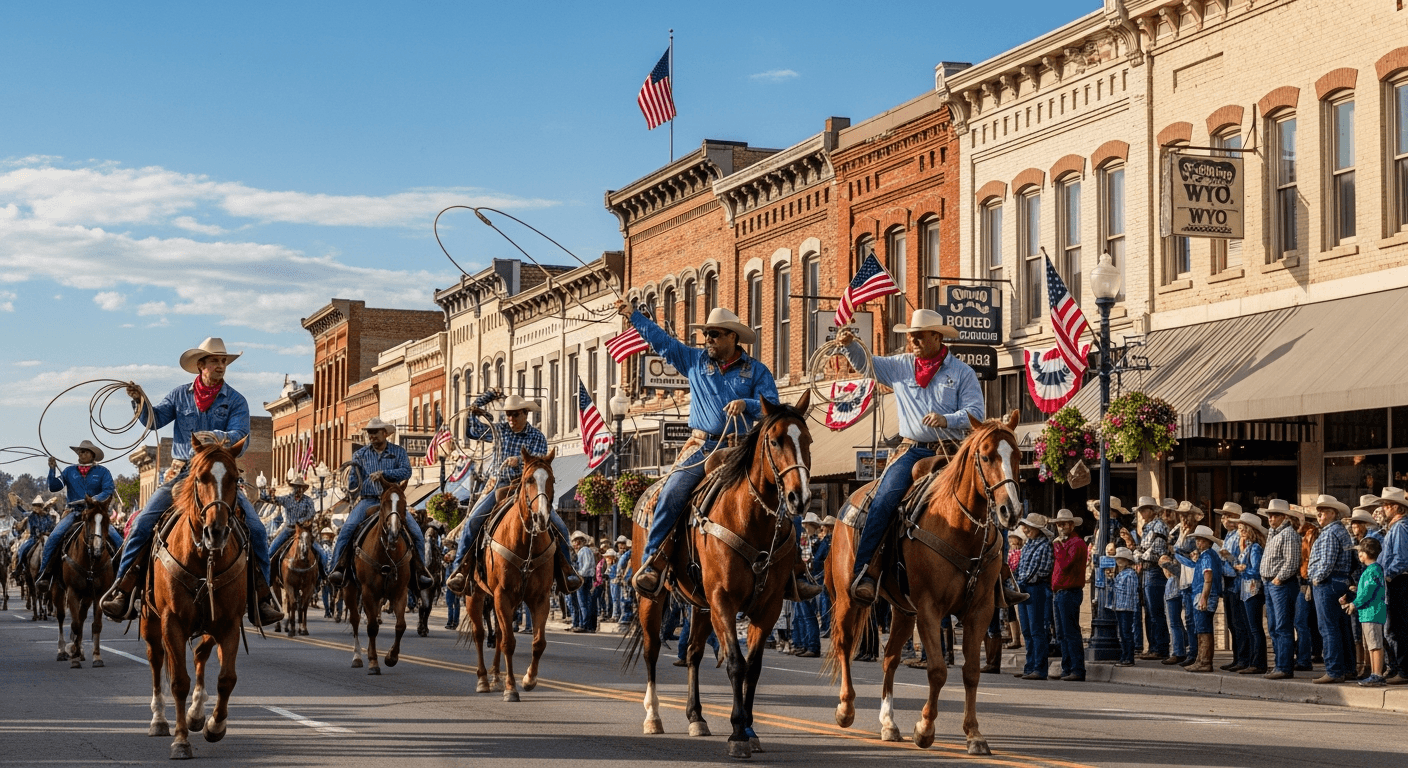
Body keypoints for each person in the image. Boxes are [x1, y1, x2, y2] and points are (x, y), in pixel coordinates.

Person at [614, 299, 792, 599]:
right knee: (672, 491)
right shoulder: (695, 361)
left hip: (743, 448)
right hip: (703, 445)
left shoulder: (756, 371)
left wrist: (747, 403)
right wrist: (633, 316)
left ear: (733, 337)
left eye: (715, 334)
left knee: (786, 493)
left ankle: (795, 571)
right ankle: (653, 560)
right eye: (706, 334)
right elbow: (662, 341)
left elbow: (771, 408)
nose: (708, 339)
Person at [101, 338, 281, 626]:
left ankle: (262, 596)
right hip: (182, 473)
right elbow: (154, 420)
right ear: (201, 365)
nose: (220, 365)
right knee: (142, 522)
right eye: (215, 361)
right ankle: (123, 588)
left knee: (257, 529)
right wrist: (139, 400)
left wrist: (219, 438)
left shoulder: (235, 400)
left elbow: (241, 436)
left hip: (218, 474)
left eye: (223, 361)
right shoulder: (179, 395)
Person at [836, 309, 984, 604]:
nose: (912, 340)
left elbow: (976, 414)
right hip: (912, 448)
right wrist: (850, 344)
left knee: (989, 496)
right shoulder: (901, 366)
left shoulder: (961, 372)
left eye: (918, 335)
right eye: (910, 335)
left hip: (953, 450)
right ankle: (866, 571)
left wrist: (947, 419)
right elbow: (868, 366)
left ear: (937, 337)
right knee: (884, 498)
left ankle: (999, 577)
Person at [446, 390, 579, 595]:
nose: (511, 418)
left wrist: (520, 460)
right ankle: (461, 569)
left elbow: (541, 461)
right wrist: (484, 400)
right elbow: (471, 430)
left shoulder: (536, 436)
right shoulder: (499, 430)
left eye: (515, 414)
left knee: (560, 526)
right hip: (499, 484)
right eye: (508, 413)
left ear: (526, 414)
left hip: (528, 486)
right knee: (473, 520)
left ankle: (567, 571)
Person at [326, 418, 432, 591]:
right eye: (369, 433)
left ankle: (420, 572)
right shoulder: (360, 455)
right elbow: (354, 483)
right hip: (368, 500)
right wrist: (352, 481)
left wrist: (384, 473)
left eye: (375, 432)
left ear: (385, 433)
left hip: (391, 499)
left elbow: (407, 471)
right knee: (347, 529)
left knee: (416, 533)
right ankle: (338, 569)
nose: (372, 436)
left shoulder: (398, 452)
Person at [36, 440, 122, 591]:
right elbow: (54, 486)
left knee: (118, 540)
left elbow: (108, 489)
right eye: (80, 451)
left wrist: (94, 499)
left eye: (85, 451)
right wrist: (51, 470)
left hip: (95, 512)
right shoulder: (69, 471)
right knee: (54, 537)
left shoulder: (102, 471)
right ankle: (45, 574)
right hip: (74, 512)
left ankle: (123, 577)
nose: (81, 454)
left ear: (92, 455)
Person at [1305, 494, 1355, 684]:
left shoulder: (1329, 533)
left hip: (1329, 583)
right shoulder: (1340, 531)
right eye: (1318, 512)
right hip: (1339, 581)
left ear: (1333, 513)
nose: (1319, 515)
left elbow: (1327, 561)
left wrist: (1316, 579)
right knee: (1341, 627)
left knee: (1328, 628)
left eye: (1323, 511)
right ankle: (1348, 668)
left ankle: (1334, 670)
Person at [1262, 499, 1303, 679]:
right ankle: (1279, 663)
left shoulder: (1288, 534)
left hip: (1281, 584)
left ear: (1284, 517)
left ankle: (1284, 666)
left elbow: (1292, 561)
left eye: (1275, 515)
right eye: (1270, 515)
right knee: (1273, 626)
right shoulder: (1273, 533)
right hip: (1271, 583)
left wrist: (1278, 578)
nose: (1271, 518)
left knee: (1282, 626)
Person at [1175, 525, 1222, 673]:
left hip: (1204, 594)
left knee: (1203, 628)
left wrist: (1203, 598)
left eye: (1202, 541)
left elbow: (1208, 579)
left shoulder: (1208, 556)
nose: (1199, 543)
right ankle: (1201, 660)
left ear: (1208, 542)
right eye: (1197, 540)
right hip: (1203, 593)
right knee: (1202, 628)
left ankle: (1205, 661)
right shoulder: (1207, 555)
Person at [1343, 538, 1388, 687]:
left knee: (1375, 645)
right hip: (1368, 613)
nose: (1358, 555)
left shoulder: (1372, 570)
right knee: (1371, 645)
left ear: (1366, 553)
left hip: (1372, 613)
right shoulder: (1371, 570)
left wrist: (1354, 604)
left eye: (1360, 551)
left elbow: (1368, 592)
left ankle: (1377, 674)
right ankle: (1375, 673)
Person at [260, 474, 324, 580]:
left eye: (300, 487)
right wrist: (263, 490)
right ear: (293, 487)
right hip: (288, 530)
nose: (298, 489)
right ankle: (266, 578)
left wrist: (301, 522)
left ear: (303, 489)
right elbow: (270, 499)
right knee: (271, 551)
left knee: (321, 553)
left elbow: (311, 514)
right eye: (296, 486)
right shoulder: (287, 499)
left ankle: (323, 578)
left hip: (304, 532)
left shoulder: (308, 501)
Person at [1050, 509, 1087, 682]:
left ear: (1071, 525)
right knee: (1062, 634)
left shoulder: (1076, 543)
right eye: (1058, 524)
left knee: (1070, 632)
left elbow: (1065, 565)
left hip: (1069, 591)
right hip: (1060, 592)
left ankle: (1077, 669)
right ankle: (1067, 668)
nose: (1060, 527)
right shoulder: (1067, 544)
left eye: (1063, 524)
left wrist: (1058, 546)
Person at [1375, 487, 1408, 684]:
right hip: (1395, 580)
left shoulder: (1401, 528)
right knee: (1394, 627)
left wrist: (1385, 576)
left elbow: (1402, 559)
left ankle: (1403, 671)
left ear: (1396, 507)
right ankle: (1398, 668)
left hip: (1399, 581)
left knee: (1398, 627)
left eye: (1386, 505)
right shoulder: (1395, 528)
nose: (1383, 509)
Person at [1015, 514, 1053, 680]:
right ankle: (1029, 666)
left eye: (1029, 527)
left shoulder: (1045, 546)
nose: (1025, 530)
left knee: (1037, 629)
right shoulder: (1028, 545)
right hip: (1024, 587)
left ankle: (1039, 667)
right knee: (1027, 630)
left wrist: (1023, 581)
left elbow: (1043, 570)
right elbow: (1021, 567)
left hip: (1036, 588)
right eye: (1025, 527)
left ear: (1038, 529)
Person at [1132, 496, 1170, 662]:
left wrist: (1141, 555)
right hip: (1148, 571)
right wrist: (1140, 553)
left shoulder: (1159, 526)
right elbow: (1141, 550)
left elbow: (1157, 550)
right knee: (1149, 611)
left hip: (1154, 571)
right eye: (1141, 509)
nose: (1141, 512)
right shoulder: (1148, 527)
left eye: (1144, 509)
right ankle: (1153, 646)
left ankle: (1160, 647)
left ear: (1152, 511)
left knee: (1155, 611)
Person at [1214, 502, 1250, 672]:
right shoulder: (1228, 536)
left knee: (1239, 623)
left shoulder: (1239, 536)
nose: (1223, 519)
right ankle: (1237, 658)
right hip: (1228, 582)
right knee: (1232, 624)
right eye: (1223, 516)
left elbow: (1240, 563)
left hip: (1236, 581)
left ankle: (1243, 658)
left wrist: (1227, 557)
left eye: (1227, 516)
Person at [1234, 512, 1269, 675]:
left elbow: (1256, 570)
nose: (1240, 531)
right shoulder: (1248, 547)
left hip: (1252, 588)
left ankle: (1258, 662)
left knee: (1254, 628)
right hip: (1246, 589)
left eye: (1243, 529)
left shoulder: (1255, 548)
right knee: (1249, 627)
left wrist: (1243, 569)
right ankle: (1252, 661)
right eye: (1239, 529)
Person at [1159, 501, 1190, 666]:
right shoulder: (1173, 532)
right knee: (1174, 619)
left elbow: (1184, 558)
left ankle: (1181, 651)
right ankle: (1179, 649)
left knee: (1183, 620)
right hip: (1173, 579)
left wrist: (1168, 562)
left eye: (1170, 512)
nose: (1166, 515)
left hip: (1182, 578)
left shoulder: (1185, 534)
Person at [1111, 547, 1140, 666]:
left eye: (1122, 559)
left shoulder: (1130, 574)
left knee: (1126, 632)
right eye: (1118, 559)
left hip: (1126, 607)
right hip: (1119, 606)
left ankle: (1129, 657)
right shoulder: (1121, 574)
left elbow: (1130, 592)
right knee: (1123, 633)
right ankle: (1125, 656)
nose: (1119, 561)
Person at [16, 496, 56, 574]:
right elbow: (23, 512)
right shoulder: (31, 515)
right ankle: (21, 568)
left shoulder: (47, 516)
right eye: (35, 505)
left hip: (47, 537)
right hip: (34, 538)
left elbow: (52, 527)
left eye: (38, 505)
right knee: (22, 549)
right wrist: (18, 504)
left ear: (41, 506)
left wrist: (47, 533)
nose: (36, 507)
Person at [569, 531, 597, 632]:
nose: (576, 543)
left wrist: (579, 575)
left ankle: (585, 625)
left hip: (584, 578)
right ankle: (583, 624)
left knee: (583, 603)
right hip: (583, 577)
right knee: (583, 602)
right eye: (575, 541)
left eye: (577, 541)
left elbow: (586, 565)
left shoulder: (584, 550)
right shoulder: (581, 551)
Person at [1004, 529, 1025, 649]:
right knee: (1009, 614)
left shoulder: (1017, 553)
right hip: (1010, 585)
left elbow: (1011, 568)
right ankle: (1012, 637)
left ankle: (1016, 638)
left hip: (1013, 586)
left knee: (1013, 613)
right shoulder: (1012, 552)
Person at [317, 527, 337, 618]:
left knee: (327, 592)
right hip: (328, 572)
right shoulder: (328, 547)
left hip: (326, 573)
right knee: (330, 592)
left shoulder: (321, 547)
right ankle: (329, 610)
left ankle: (328, 611)